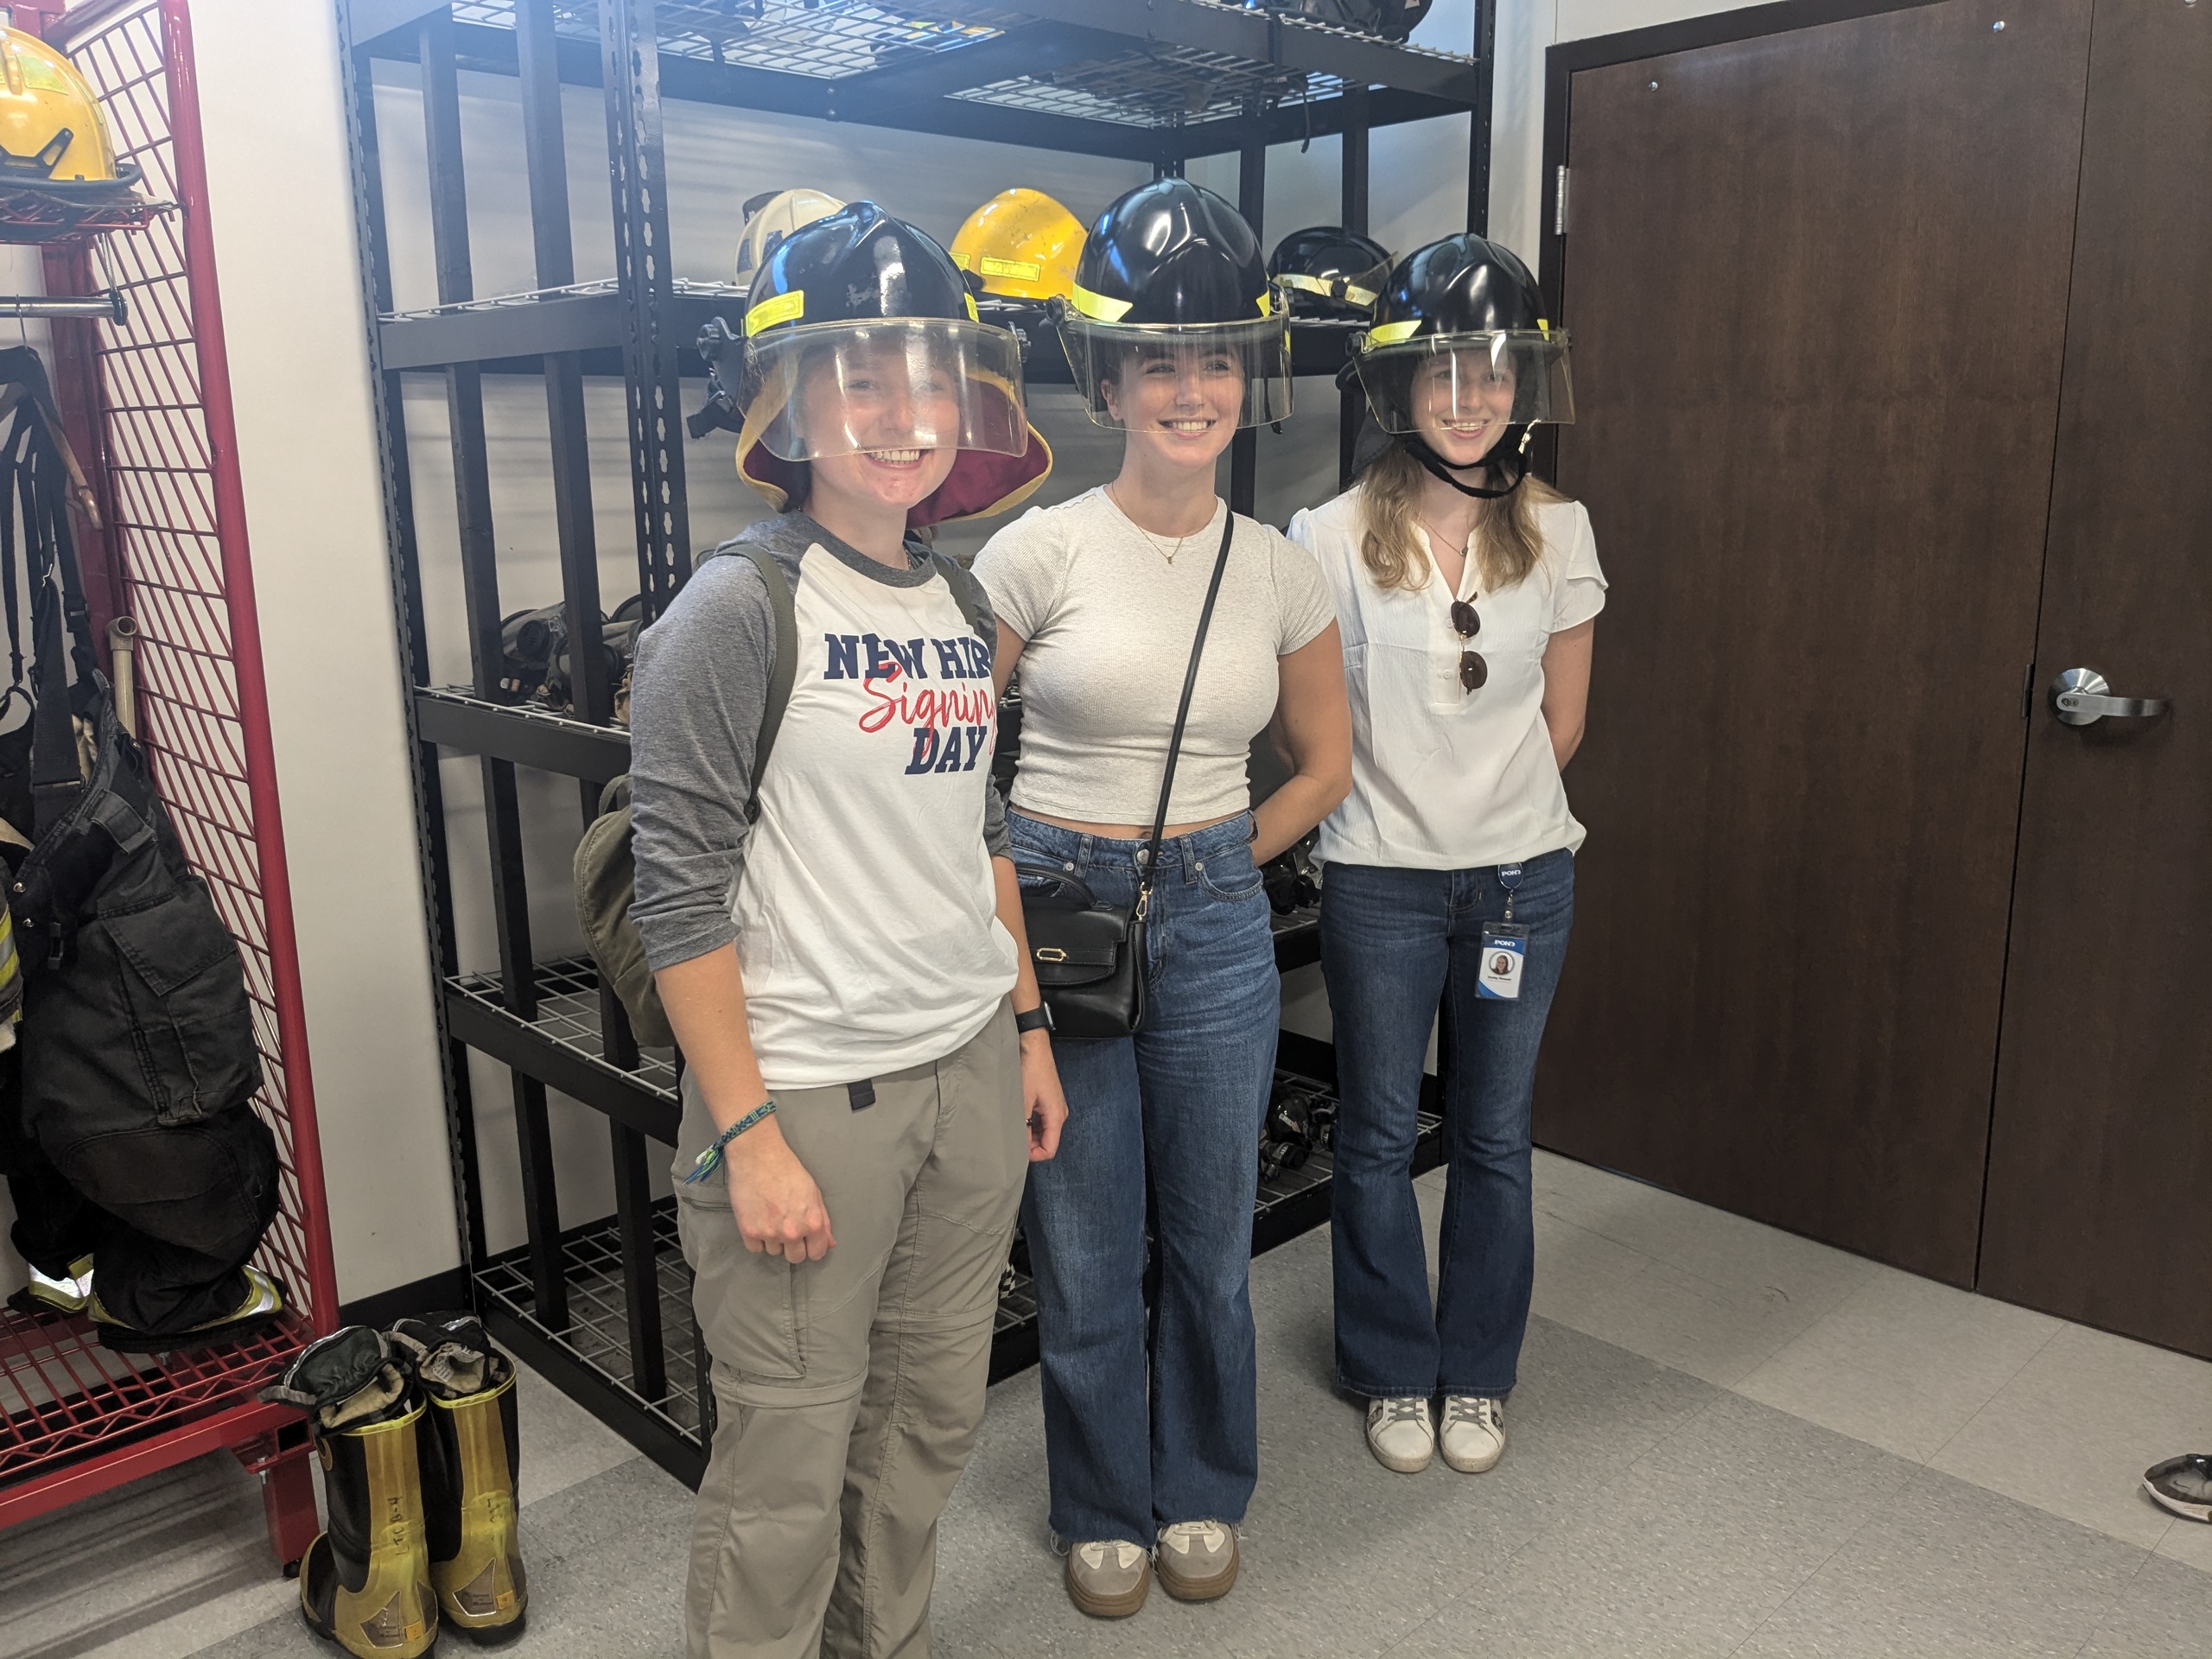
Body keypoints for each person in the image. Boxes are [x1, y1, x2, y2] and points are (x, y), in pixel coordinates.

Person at [628, 202, 1068, 1659]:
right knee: (789, 1459)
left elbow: (979, 831)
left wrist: (1025, 1026)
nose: (904, 414)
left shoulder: (954, 594)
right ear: (794, 402)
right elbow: (680, 886)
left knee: (930, 1415)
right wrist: (745, 1133)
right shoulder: (736, 610)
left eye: (930, 377)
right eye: (863, 378)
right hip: (810, 1094)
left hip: (967, 1068)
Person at [974, 178, 1352, 1618]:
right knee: (1079, 1240)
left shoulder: (1282, 572)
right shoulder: (1037, 550)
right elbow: (952, 762)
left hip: (1208, 915)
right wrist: (1019, 883)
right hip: (1055, 909)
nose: (1188, 390)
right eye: (1158, 362)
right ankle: (1098, 1504)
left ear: (1243, 379)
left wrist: (1212, 859)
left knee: (1206, 1234)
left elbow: (1324, 764)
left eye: (1214, 360)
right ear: (1110, 381)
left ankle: (1199, 1484)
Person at [1286, 232, 1600, 1478]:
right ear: (1396, 390)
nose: (1467, 401)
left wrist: (1486, 815)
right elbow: (1314, 725)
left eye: (1492, 374)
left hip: (1526, 877)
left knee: (1493, 1134)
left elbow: (1562, 724)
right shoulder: (1326, 532)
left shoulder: (1561, 528)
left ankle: (1475, 1371)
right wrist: (1408, 815)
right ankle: (1389, 1369)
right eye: (1439, 374)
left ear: (1522, 388)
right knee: (1373, 1133)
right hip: (1378, 883)